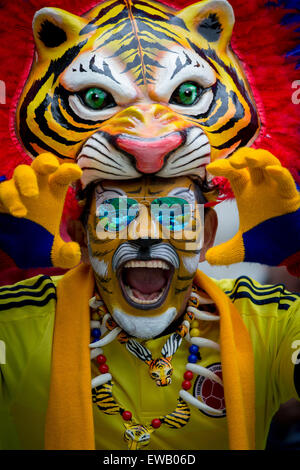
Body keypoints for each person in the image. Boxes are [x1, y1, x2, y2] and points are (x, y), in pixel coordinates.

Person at [0, 150, 299, 450]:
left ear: (207, 234)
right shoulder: (19, 323)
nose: (146, 235)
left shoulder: (266, 320)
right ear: (82, 237)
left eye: (173, 214)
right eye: (115, 213)